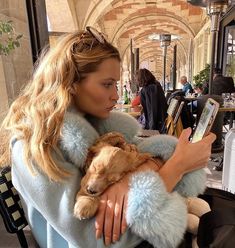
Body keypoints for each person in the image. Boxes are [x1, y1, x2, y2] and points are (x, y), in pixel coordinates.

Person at [0, 27, 216, 248]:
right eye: (107, 84)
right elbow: (101, 239)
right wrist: (177, 167)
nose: (115, 94)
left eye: (115, 83)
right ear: (71, 83)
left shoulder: (96, 123)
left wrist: (128, 180)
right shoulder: (35, 145)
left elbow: (142, 152)